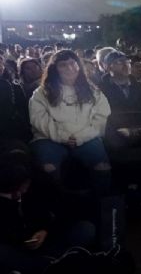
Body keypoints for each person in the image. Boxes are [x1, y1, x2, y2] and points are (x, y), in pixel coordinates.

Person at [0, 143, 96, 274]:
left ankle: (33, 271)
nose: (21, 192)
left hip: (48, 242)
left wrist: (46, 231)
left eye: (24, 186)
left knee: (86, 229)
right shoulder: (5, 190)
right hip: (18, 247)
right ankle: (51, 268)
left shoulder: (42, 184)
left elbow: (66, 213)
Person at [28, 50, 112, 194]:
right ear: (55, 69)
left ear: (78, 66)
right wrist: (63, 137)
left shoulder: (93, 91)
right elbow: (39, 119)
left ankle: (102, 204)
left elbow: (102, 117)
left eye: (72, 63)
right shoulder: (41, 93)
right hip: (49, 138)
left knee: (102, 166)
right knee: (48, 167)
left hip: (86, 137)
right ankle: (59, 203)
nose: (69, 68)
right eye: (63, 65)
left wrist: (81, 137)